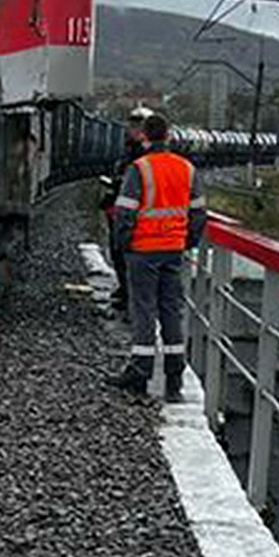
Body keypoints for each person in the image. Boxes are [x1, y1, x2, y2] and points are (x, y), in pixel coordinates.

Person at [108, 112, 207, 400]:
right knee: (171, 311)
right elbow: (199, 212)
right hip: (173, 250)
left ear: (145, 137)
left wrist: (124, 244)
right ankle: (174, 381)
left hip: (143, 251)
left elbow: (124, 212)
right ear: (169, 135)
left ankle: (140, 374)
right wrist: (187, 241)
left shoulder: (140, 168)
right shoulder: (187, 169)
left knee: (144, 311)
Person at [100, 107, 151, 312]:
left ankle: (131, 297)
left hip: (134, 215)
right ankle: (125, 291)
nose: (133, 129)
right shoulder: (128, 151)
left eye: (138, 125)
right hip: (120, 211)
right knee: (118, 253)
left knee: (129, 256)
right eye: (132, 124)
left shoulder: (146, 153)